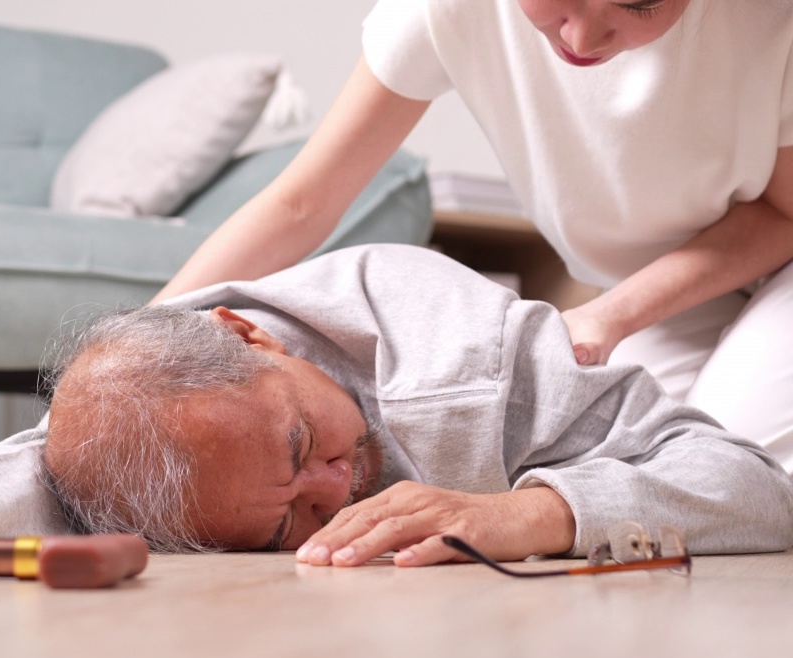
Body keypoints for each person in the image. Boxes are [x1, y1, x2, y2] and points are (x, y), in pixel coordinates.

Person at [0, 245, 793, 579]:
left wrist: (529, 509)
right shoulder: (179, 417)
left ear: (247, 337)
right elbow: (34, 473)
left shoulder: (462, 340)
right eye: (281, 526)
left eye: (302, 446)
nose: (337, 492)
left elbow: (751, 484)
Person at [151, 0, 793, 472]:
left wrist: (609, 315)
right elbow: (301, 202)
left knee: (740, 474)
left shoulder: (768, 21)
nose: (582, 35)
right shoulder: (449, 9)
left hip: (770, 263)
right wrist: (135, 341)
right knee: (632, 471)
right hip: (673, 285)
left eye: (638, 4)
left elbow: (782, 215)